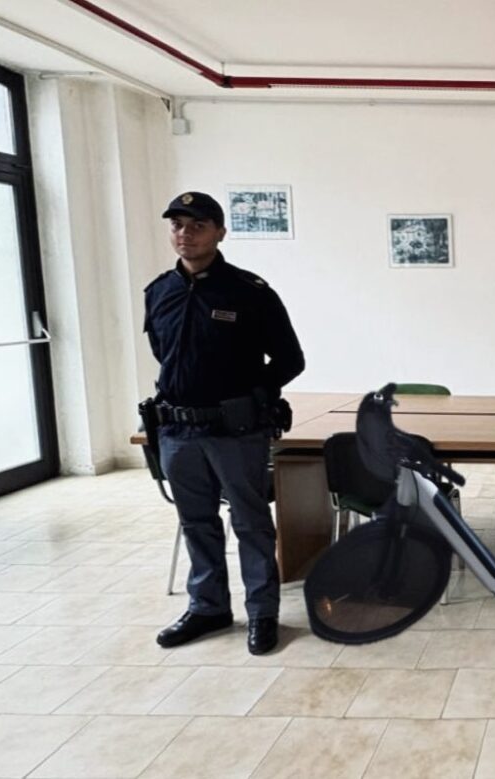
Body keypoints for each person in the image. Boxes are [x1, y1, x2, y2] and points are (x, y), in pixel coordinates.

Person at [144, 191, 304, 655]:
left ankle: (262, 612)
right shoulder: (159, 292)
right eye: (177, 224)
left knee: (251, 523)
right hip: (177, 430)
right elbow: (164, 354)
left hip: (234, 431)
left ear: (220, 232)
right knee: (196, 522)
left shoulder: (249, 292)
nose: (185, 234)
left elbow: (290, 359)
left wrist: (253, 396)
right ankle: (208, 607)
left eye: (197, 225)